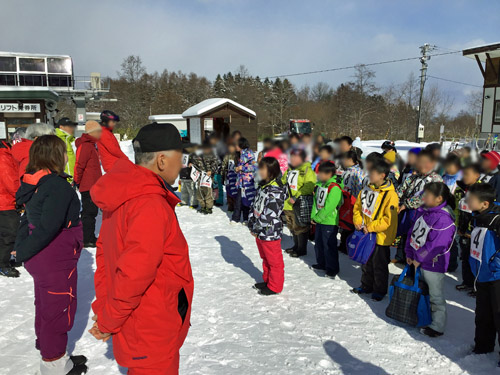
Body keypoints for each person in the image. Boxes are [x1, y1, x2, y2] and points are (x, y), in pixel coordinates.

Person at [89, 122, 193, 375]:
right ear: (161, 160)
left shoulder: (126, 194)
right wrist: (108, 320)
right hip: (152, 324)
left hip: (141, 321)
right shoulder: (149, 204)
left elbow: (105, 258)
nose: (183, 164)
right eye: (181, 157)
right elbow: (134, 274)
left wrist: (105, 308)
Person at [13, 135, 86, 375]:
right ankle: (54, 364)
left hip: (43, 258)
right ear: (56, 156)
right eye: (64, 152)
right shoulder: (56, 186)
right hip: (54, 257)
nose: (67, 157)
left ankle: (52, 353)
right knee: (58, 307)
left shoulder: (35, 181)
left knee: (47, 304)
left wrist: (22, 248)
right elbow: (48, 226)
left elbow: (29, 218)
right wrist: (22, 251)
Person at [405, 182, 456, 337]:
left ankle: (437, 326)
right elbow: (412, 233)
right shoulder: (424, 212)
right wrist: (409, 253)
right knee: (421, 291)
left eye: (427, 195)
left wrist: (419, 258)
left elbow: (436, 245)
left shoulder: (444, 219)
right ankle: (421, 316)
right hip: (417, 261)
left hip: (433, 265)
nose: (423, 197)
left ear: (439, 198)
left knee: (435, 296)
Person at [351, 159, 399, 301]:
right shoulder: (366, 189)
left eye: (373, 173)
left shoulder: (391, 195)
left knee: (380, 265)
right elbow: (358, 208)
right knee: (366, 262)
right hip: (366, 234)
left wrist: (370, 227)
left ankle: (379, 290)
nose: (369, 175)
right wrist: (358, 221)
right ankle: (366, 285)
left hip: (380, 237)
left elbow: (388, 219)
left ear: (382, 175)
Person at [466, 183, 500, 359]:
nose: (467, 202)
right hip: (481, 274)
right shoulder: (477, 217)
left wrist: (496, 264)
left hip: (496, 276)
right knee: (483, 315)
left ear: (485, 203)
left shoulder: (497, 219)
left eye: (470, 200)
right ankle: (483, 346)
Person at [394, 149, 443, 264]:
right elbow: (401, 189)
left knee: (418, 239)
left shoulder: (436, 180)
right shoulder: (413, 177)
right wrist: (395, 199)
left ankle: (418, 262)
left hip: (424, 216)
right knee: (405, 235)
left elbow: (425, 197)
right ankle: (402, 257)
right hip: (408, 213)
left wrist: (407, 204)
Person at [248, 157, 286, 296]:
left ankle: (275, 286)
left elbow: (270, 214)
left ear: (271, 171)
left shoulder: (276, 191)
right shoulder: (263, 186)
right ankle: (268, 280)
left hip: (270, 231)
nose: (260, 171)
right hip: (260, 231)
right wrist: (252, 223)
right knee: (265, 258)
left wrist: (256, 227)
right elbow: (255, 205)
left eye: (263, 169)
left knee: (274, 260)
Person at [311, 161, 343, 278]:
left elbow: (330, 206)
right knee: (319, 243)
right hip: (319, 220)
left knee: (329, 245)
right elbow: (315, 201)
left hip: (329, 221)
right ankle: (322, 263)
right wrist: (313, 216)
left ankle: (332, 268)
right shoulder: (321, 185)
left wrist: (319, 217)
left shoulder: (334, 188)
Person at [282, 148, 316, 257]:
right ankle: (296, 245)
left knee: (300, 226)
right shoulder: (290, 169)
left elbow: (309, 186)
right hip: (288, 203)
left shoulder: (307, 170)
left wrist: (296, 196)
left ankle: (302, 248)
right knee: (291, 225)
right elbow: (282, 181)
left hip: (299, 203)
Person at [74, 120, 103, 247]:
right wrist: (77, 180)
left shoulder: (91, 145)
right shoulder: (85, 145)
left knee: (91, 212)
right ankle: (87, 238)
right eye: (99, 131)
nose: (100, 134)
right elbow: (79, 165)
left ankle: (89, 237)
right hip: (88, 185)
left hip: (92, 184)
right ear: (93, 132)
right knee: (89, 212)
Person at [454, 163, 482, 293]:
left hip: (475, 231)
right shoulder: (460, 189)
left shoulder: (481, 191)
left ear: (476, 176)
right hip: (462, 229)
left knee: (476, 260)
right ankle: (467, 282)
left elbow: (482, 212)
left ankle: (478, 287)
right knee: (465, 257)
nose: (464, 177)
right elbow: (457, 208)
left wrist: (472, 230)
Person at [0, 139, 20, 277]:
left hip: (4, 200)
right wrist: (21, 196)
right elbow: (11, 181)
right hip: (6, 201)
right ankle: (3, 264)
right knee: (9, 234)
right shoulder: (3, 156)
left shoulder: (5, 154)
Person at [231, 137, 257, 224]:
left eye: (237, 144)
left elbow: (255, 166)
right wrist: (236, 169)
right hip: (240, 181)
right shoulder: (238, 154)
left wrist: (243, 168)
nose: (235, 146)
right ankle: (236, 218)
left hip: (247, 181)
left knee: (246, 200)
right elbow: (236, 167)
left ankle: (245, 218)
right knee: (239, 200)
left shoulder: (249, 153)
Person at [192, 141, 219, 215]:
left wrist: (211, 171)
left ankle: (209, 207)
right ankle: (203, 206)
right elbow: (194, 163)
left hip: (208, 176)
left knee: (207, 191)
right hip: (200, 176)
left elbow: (215, 163)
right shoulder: (196, 154)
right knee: (200, 192)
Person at [54, 117, 78, 183]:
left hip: (71, 178)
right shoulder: (55, 139)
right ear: (61, 127)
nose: (72, 128)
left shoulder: (71, 140)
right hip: (61, 178)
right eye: (69, 126)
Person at [179, 144, 199, 209]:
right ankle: (184, 201)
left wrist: (192, 163)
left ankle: (194, 203)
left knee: (192, 190)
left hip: (190, 174)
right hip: (182, 173)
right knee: (183, 189)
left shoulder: (193, 153)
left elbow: (196, 161)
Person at [221, 143, 239, 212]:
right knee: (228, 190)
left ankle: (235, 204)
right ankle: (230, 205)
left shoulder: (238, 155)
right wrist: (223, 176)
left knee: (235, 190)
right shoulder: (227, 155)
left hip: (236, 176)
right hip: (228, 176)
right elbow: (223, 166)